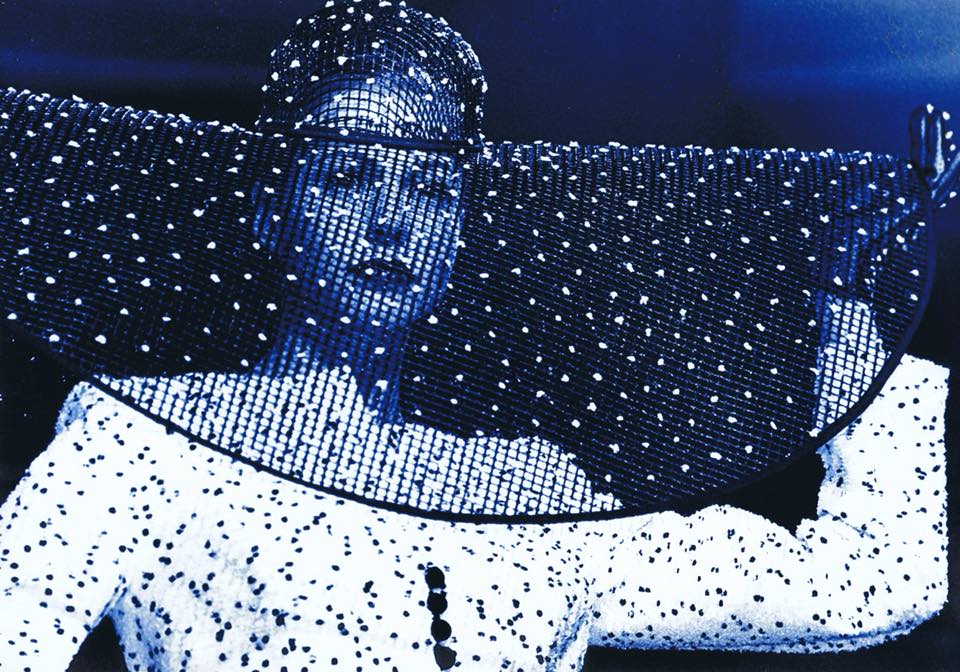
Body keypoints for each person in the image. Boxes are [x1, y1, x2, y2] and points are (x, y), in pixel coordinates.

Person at [0, 2, 951, 670]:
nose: (390, 221)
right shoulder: (142, 444)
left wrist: (849, 309)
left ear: (457, 236)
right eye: (346, 176)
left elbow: (869, 586)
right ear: (270, 211)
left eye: (430, 188)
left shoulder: (534, 488)